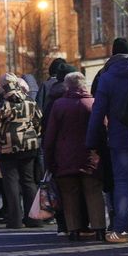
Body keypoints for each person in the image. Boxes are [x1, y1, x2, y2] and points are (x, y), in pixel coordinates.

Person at [85, 37, 128, 242]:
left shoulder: (107, 77)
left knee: (122, 184)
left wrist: (91, 141)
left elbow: (97, 112)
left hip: (119, 137)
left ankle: (122, 229)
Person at [44, 71, 103, 240]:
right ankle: (99, 229)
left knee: (69, 194)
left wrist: (49, 159)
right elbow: (102, 130)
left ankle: (74, 230)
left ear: (67, 86)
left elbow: (50, 136)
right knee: (93, 193)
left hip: (65, 157)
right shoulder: (92, 103)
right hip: (90, 157)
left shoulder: (59, 105)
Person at [0, 72, 43, 230]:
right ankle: (34, 218)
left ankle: (15, 220)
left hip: (7, 147)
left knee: (10, 182)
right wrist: (33, 135)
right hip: (29, 146)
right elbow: (39, 121)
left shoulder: (2, 104)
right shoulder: (29, 101)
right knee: (29, 181)